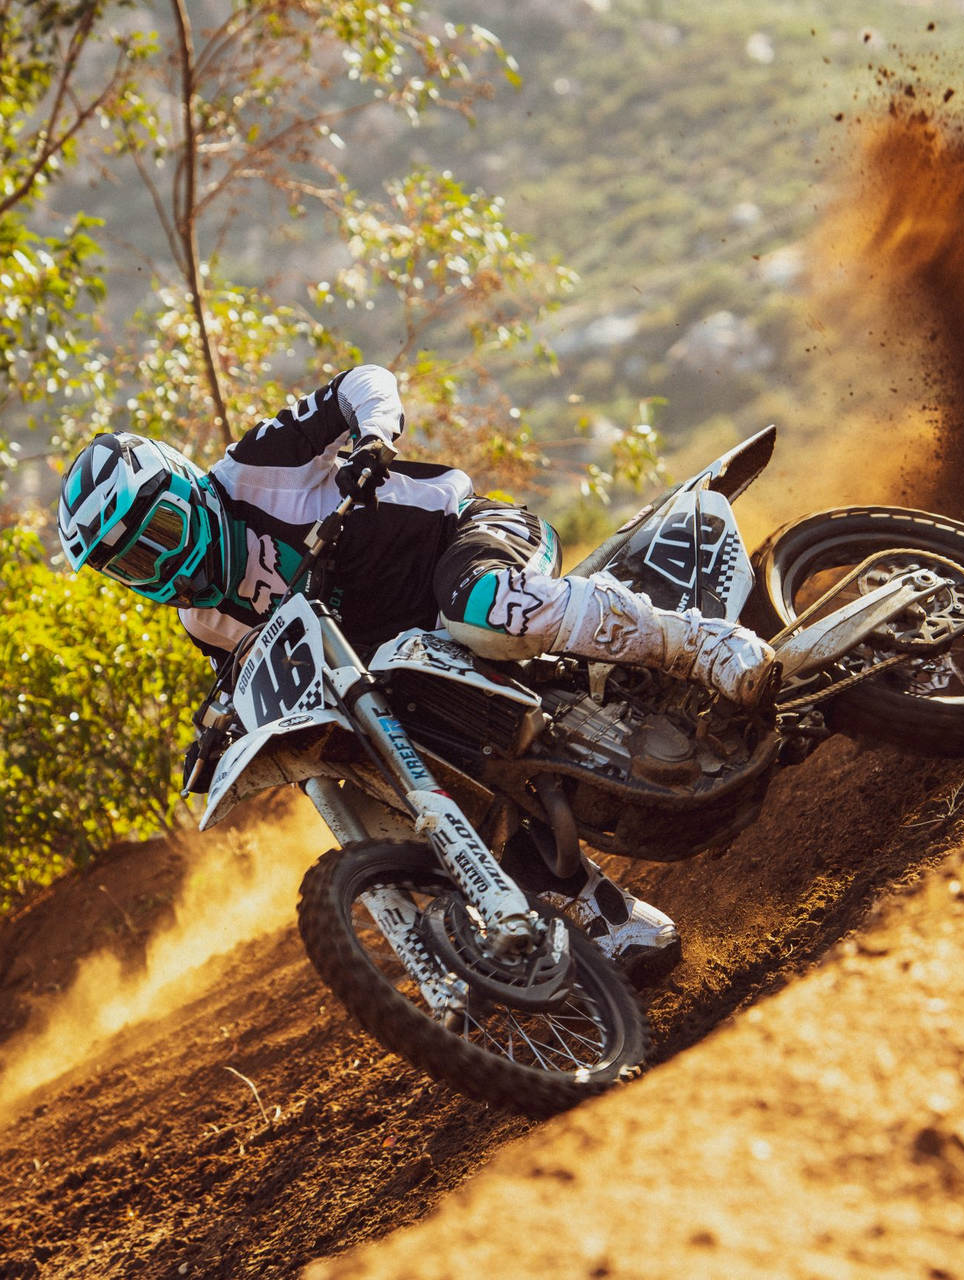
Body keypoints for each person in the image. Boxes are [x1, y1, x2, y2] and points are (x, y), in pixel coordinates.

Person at [56, 364, 778, 975]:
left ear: (184, 489)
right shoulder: (203, 620)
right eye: (134, 565)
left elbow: (363, 382)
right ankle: (595, 906)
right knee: (422, 775)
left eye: (160, 533)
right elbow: (266, 674)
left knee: (483, 604)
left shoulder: (252, 467)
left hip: (464, 539)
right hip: (406, 659)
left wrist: (373, 437)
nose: (160, 563)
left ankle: (694, 643)